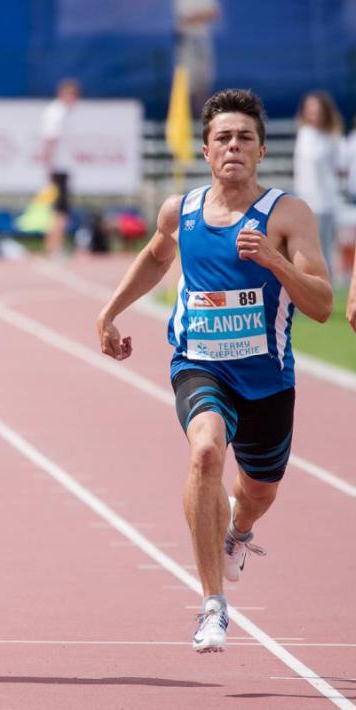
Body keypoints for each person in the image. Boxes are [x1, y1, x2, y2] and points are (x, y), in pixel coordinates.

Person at [96, 89, 332, 653]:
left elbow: (322, 305)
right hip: (199, 363)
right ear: (206, 149)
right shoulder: (181, 211)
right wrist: (109, 311)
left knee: (257, 493)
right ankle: (212, 606)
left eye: (244, 138)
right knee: (204, 453)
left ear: (261, 149)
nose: (233, 146)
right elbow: (157, 256)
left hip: (268, 379)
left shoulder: (286, 214)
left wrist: (273, 259)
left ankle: (240, 532)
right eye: (223, 137)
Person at [293, 91, 345, 286]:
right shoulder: (304, 135)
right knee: (306, 250)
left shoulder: (331, 138)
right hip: (307, 201)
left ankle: (326, 288)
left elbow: (339, 169)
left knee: (325, 250)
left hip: (326, 203)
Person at [40, 78, 79, 256]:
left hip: (61, 167)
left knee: (59, 210)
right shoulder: (58, 113)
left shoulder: (62, 112)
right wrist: (49, 167)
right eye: (73, 95)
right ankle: (54, 247)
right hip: (58, 168)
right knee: (60, 210)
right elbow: (50, 139)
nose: (75, 99)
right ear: (64, 94)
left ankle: (52, 246)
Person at [174, 0, 221, 115]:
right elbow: (185, 17)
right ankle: (187, 121)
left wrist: (197, 16)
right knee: (187, 84)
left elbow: (214, 13)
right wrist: (202, 15)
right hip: (186, 43)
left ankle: (203, 120)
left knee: (203, 83)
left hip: (203, 42)